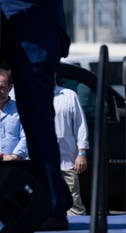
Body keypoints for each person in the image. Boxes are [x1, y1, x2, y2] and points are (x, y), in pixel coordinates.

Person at [0, 0, 72, 230]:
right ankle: (51, 198)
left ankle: (54, 206)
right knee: (35, 127)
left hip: (33, 41)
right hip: (14, 40)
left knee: (38, 127)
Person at [53, 82, 89, 215]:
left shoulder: (69, 95)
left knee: (74, 205)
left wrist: (82, 153)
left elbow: (80, 126)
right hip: (42, 164)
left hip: (67, 162)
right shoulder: (33, 95)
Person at [0, 68, 28, 161]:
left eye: (1, 87)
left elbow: (26, 137)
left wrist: (15, 156)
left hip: (16, 164)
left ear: (10, 88)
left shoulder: (20, 110)